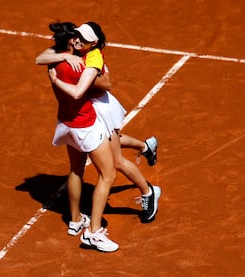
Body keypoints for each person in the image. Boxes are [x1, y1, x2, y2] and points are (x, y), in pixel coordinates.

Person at [41, 22, 161, 228]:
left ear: (94, 43)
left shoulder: (93, 57)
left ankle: (149, 192)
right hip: (88, 108)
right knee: (108, 142)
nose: (78, 40)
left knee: (117, 162)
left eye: (84, 39)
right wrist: (66, 56)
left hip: (100, 109)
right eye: (77, 35)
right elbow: (40, 58)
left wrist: (67, 76)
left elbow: (106, 84)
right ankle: (144, 147)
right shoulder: (73, 51)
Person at [41, 21, 118, 252]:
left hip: (66, 124)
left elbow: (39, 58)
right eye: (75, 37)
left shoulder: (54, 59)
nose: (77, 41)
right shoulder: (79, 66)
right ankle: (93, 233)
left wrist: (56, 75)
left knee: (76, 169)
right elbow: (92, 87)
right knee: (108, 174)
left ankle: (75, 220)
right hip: (85, 126)